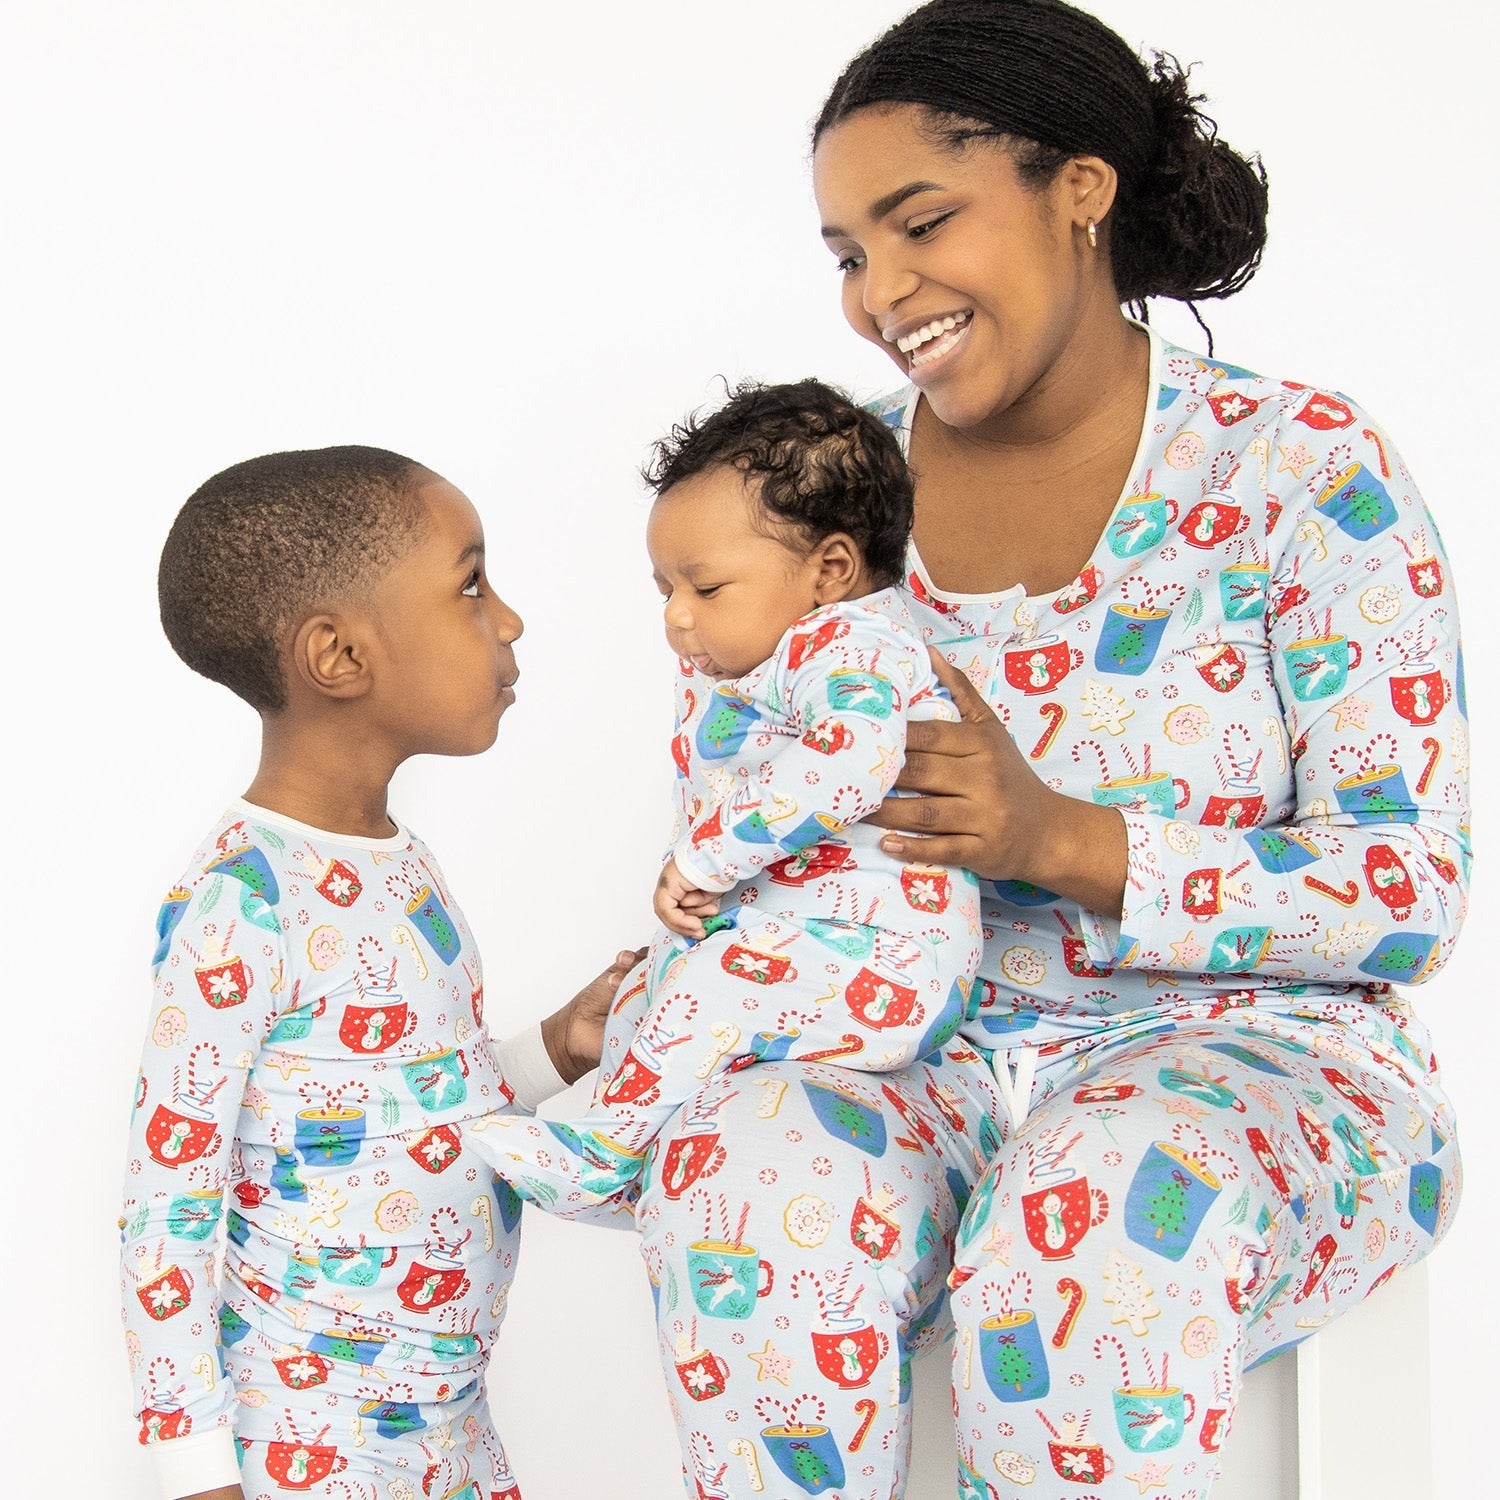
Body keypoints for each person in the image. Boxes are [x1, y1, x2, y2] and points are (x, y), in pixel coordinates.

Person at [629, 2, 1469, 1496]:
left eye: (921, 223)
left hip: (1252, 1065)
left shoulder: (1301, 471)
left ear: (1081, 190)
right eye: (846, 254)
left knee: (1098, 1208)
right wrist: (680, 955)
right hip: (906, 1053)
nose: (881, 293)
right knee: (741, 1173)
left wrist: (1059, 840)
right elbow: (745, 822)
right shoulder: (816, 504)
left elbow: (1410, 891)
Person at [119, 446, 637, 1500]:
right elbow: (166, 1207)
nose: (509, 620)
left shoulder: (400, 861)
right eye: (471, 585)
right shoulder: (242, 901)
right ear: (340, 655)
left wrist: (555, 1049)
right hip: (312, 1443)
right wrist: (197, 1476)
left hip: (451, 1422)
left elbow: (404, 1100)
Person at [467, 379, 982, 1218]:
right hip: (805, 947)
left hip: (884, 962)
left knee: (706, 992)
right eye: (664, 589)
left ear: (831, 571)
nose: (676, 617)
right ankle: (632, 1167)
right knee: (648, 998)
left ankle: (602, 1154)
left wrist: (705, 857)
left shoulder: (855, 645)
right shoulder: (770, 655)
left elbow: (852, 757)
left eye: (705, 590)